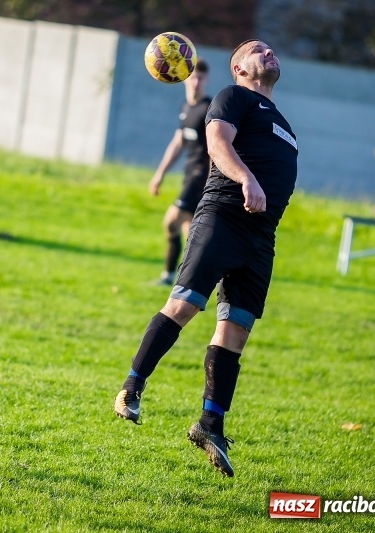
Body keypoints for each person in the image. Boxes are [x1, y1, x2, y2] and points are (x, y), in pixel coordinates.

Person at [114, 40, 298, 478]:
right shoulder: (232, 97)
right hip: (223, 218)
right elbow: (217, 143)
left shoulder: (287, 124)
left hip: (260, 239)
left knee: (235, 331)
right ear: (238, 67)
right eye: (258, 50)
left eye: (272, 49)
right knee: (185, 304)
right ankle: (131, 388)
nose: (269, 52)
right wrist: (247, 180)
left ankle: (210, 425)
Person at [148, 59, 211, 286]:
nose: (196, 82)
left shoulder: (208, 109)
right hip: (189, 173)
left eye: (201, 78)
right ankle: (188, 281)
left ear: (207, 80)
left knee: (171, 222)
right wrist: (159, 174)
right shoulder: (186, 108)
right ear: (185, 78)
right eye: (193, 77)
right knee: (190, 233)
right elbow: (178, 142)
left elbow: (218, 147)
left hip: (200, 178)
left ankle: (169, 276)